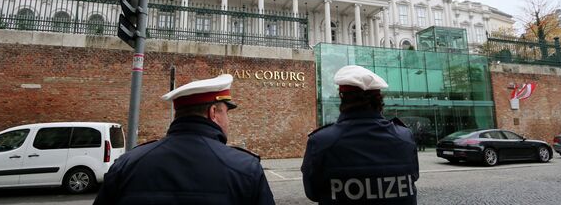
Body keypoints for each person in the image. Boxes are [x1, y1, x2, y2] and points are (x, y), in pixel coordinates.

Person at [93, 74, 275, 205]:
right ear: (213, 113)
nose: (228, 121)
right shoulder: (245, 168)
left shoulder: (128, 164)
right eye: (226, 113)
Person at [301, 65, 419, 205]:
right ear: (379, 99)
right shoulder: (405, 137)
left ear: (342, 97)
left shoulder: (321, 142)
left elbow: (312, 192)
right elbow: (414, 177)